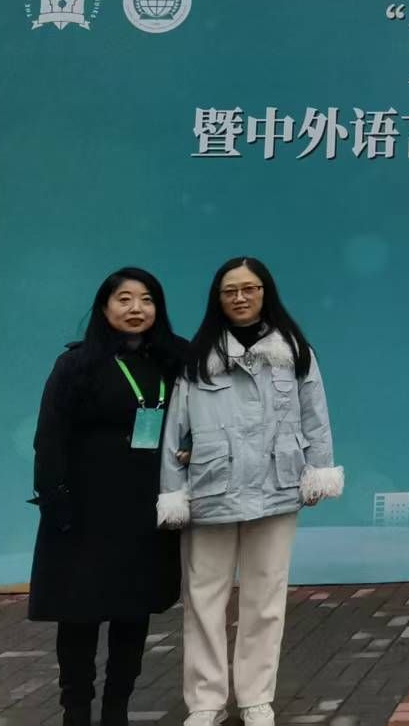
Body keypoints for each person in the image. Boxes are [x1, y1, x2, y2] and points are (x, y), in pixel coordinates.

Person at [157, 257, 342, 726]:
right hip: (211, 489)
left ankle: (256, 698)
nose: (240, 297)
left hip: (275, 488)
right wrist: (173, 491)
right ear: (217, 299)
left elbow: (316, 416)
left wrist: (317, 471)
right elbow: (175, 429)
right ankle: (205, 702)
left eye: (250, 288)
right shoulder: (197, 358)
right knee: (203, 599)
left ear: (265, 292)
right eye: (230, 291)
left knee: (266, 597)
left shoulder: (295, 351)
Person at [29, 267, 186, 726]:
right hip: (83, 511)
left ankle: (117, 709)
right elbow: (49, 436)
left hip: (144, 510)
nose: (136, 308)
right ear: (104, 307)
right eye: (124, 299)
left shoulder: (174, 360)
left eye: (147, 299)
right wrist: (55, 498)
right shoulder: (76, 364)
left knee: (132, 613)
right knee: (79, 615)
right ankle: (76, 710)